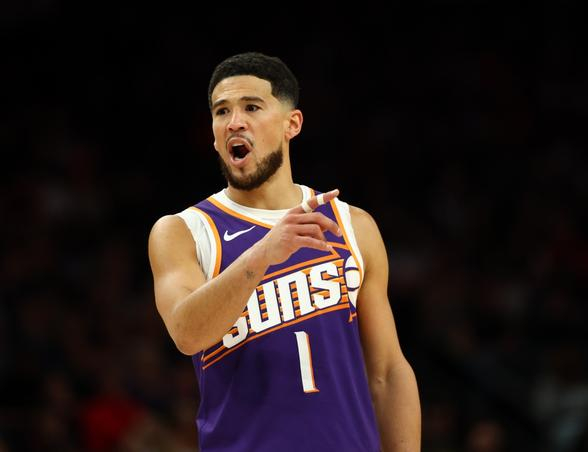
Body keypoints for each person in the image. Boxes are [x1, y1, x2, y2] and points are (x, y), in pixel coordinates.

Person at [148, 51, 421, 451]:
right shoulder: (183, 231)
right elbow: (187, 334)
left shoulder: (352, 225)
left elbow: (387, 372)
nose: (234, 121)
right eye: (222, 111)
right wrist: (262, 254)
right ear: (214, 134)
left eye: (251, 107)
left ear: (292, 123)